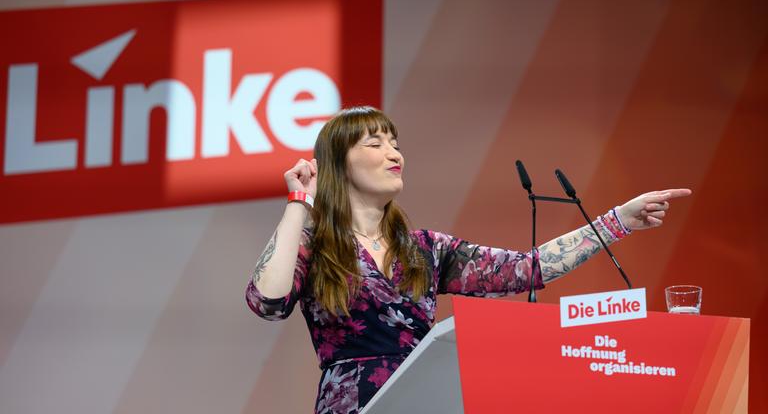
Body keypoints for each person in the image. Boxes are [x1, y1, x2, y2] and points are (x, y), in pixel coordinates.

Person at [245, 106, 691, 413]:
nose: (394, 153)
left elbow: (525, 269)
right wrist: (300, 202)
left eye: (395, 143)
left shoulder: (425, 248)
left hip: (430, 399)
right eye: (375, 144)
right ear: (337, 163)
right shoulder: (314, 242)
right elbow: (268, 301)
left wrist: (617, 221)